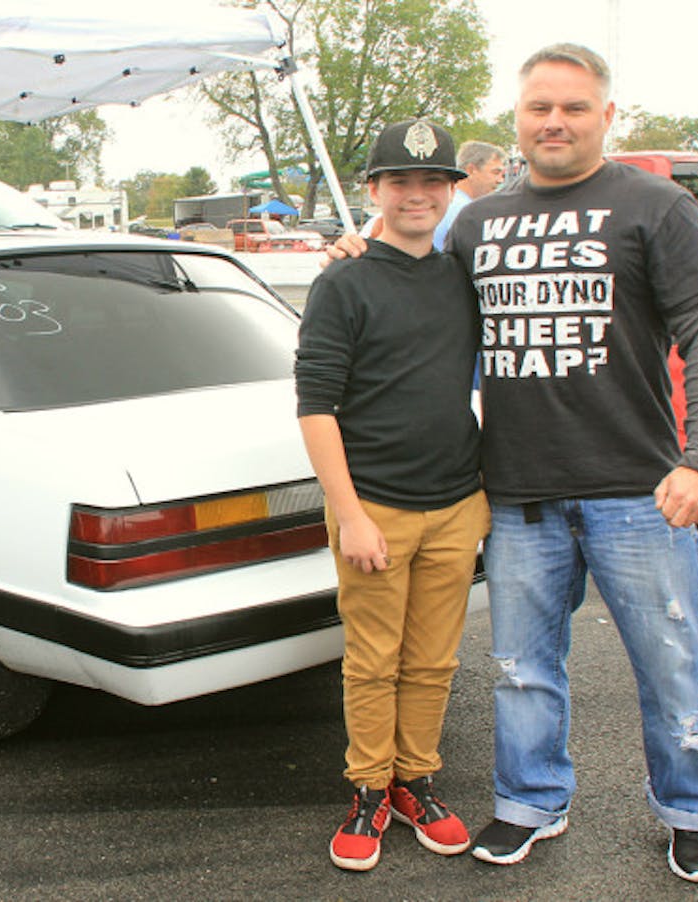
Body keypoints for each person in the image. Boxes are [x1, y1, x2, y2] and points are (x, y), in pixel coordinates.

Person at [327, 44, 698, 884]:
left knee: (672, 666)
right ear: (516, 120)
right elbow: (410, 281)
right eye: (539, 108)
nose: (555, 122)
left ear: (606, 116)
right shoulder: (475, 222)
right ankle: (529, 802)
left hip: (640, 489)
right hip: (515, 495)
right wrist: (349, 251)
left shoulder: (657, 205)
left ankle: (690, 813)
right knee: (521, 671)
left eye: (574, 107)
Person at [295, 118, 489, 872]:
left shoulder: (460, 274)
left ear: (449, 191)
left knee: (434, 660)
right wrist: (349, 516)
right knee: (373, 661)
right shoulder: (343, 280)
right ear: (373, 190)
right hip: (374, 508)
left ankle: (417, 781)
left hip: (456, 501)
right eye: (400, 182)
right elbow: (316, 405)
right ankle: (369, 789)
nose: (418, 195)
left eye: (433, 182)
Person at [432, 140, 506, 250]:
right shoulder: (464, 211)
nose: (500, 180)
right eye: (495, 172)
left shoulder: (445, 202)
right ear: (471, 170)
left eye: (503, 174)